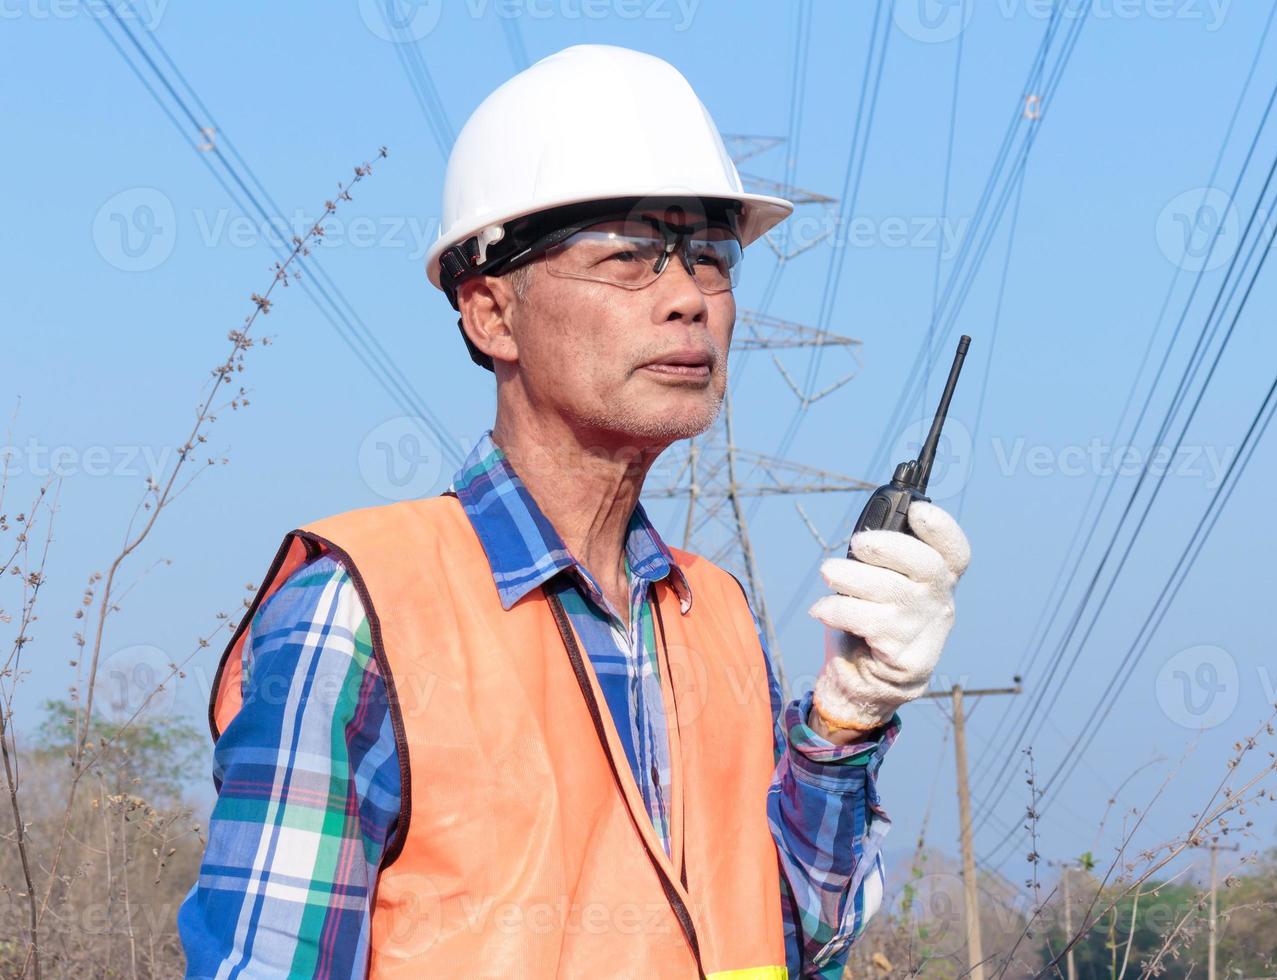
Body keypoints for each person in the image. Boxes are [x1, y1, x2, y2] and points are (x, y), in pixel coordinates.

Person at [178, 44, 970, 979]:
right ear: (490, 314)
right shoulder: (359, 614)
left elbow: (798, 939)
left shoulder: (712, 615)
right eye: (629, 258)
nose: (689, 300)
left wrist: (844, 721)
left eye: (711, 260)